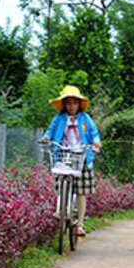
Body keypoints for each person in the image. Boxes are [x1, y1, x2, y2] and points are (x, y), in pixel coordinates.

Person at [41, 85, 102, 236]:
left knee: (81, 192)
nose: (71, 106)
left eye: (74, 103)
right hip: (63, 154)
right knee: (61, 183)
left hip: (81, 155)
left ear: (79, 104)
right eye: (68, 103)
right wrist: (46, 137)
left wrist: (96, 141)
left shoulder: (85, 118)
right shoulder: (59, 118)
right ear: (64, 105)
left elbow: (94, 132)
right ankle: (61, 210)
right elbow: (50, 130)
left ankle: (80, 224)